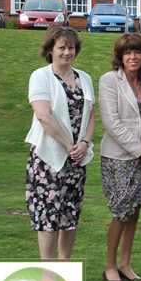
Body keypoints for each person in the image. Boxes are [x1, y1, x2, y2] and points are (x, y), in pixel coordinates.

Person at [25, 26, 95, 261]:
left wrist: (84, 143)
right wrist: (69, 145)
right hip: (49, 159)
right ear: (50, 49)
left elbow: (91, 114)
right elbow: (44, 116)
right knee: (48, 214)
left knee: (70, 213)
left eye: (71, 47)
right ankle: (47, 268)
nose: (67, 52)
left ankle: (65, 265)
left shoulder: (83, 77)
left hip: (76, 159)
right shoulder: (40, 76)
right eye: (62, 47)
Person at [98, 33, 141, 281]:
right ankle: (110, 265)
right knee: (121, 210)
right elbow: (111, 122)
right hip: (118, 156)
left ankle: (125, 264)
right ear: (120, 57)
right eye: (127, 53)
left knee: (135, 210)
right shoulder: (109, 80)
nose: (132, 57)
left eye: (137, 52)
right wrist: (140, 149)